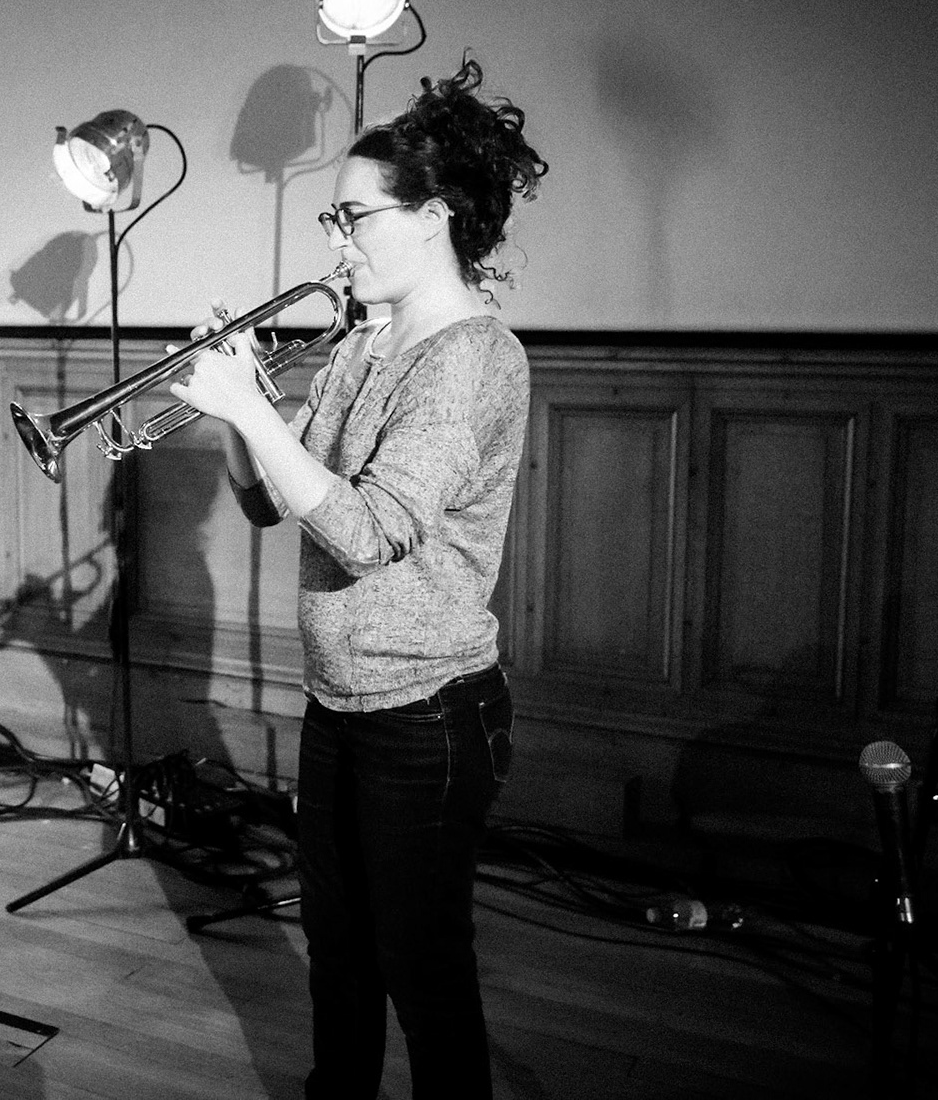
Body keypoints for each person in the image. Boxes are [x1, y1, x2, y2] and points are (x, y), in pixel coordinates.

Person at [169, 59, 546, 1099]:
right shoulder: (364, 341)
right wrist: (237, 414)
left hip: (429, 708)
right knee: (337, 949)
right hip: (341, 697)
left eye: (351, 217)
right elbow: (269, 501)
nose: (334, 242)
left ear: (431, 215)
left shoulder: (471, 358)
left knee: (420, 967)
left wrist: (250, 408)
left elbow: (373, 531)